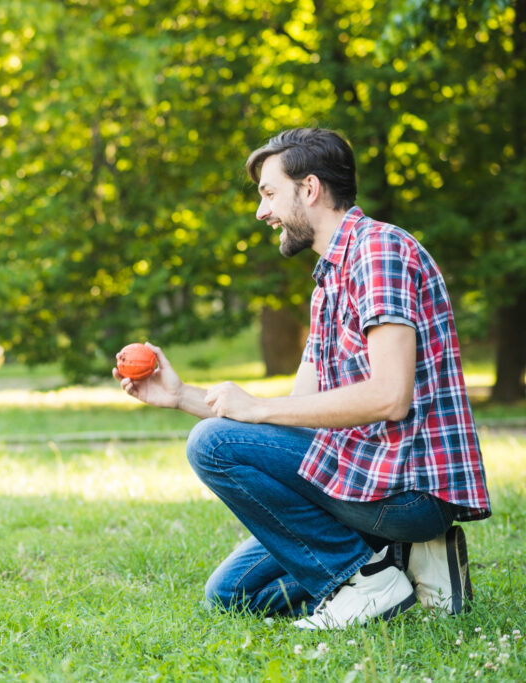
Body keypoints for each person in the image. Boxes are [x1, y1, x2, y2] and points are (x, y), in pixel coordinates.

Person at [115, 127, 491, 630]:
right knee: (232, 595)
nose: (261, 211)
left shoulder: (379, 251)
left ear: (309, 189)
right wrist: (181, 396)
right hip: (360, 477)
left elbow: (389, 397)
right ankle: (402, 563)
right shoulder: (328, 281)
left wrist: (253, 409)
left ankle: (368, 582)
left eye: (269, 194)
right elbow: (295, 414)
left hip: (407, 488)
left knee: (211, 444)